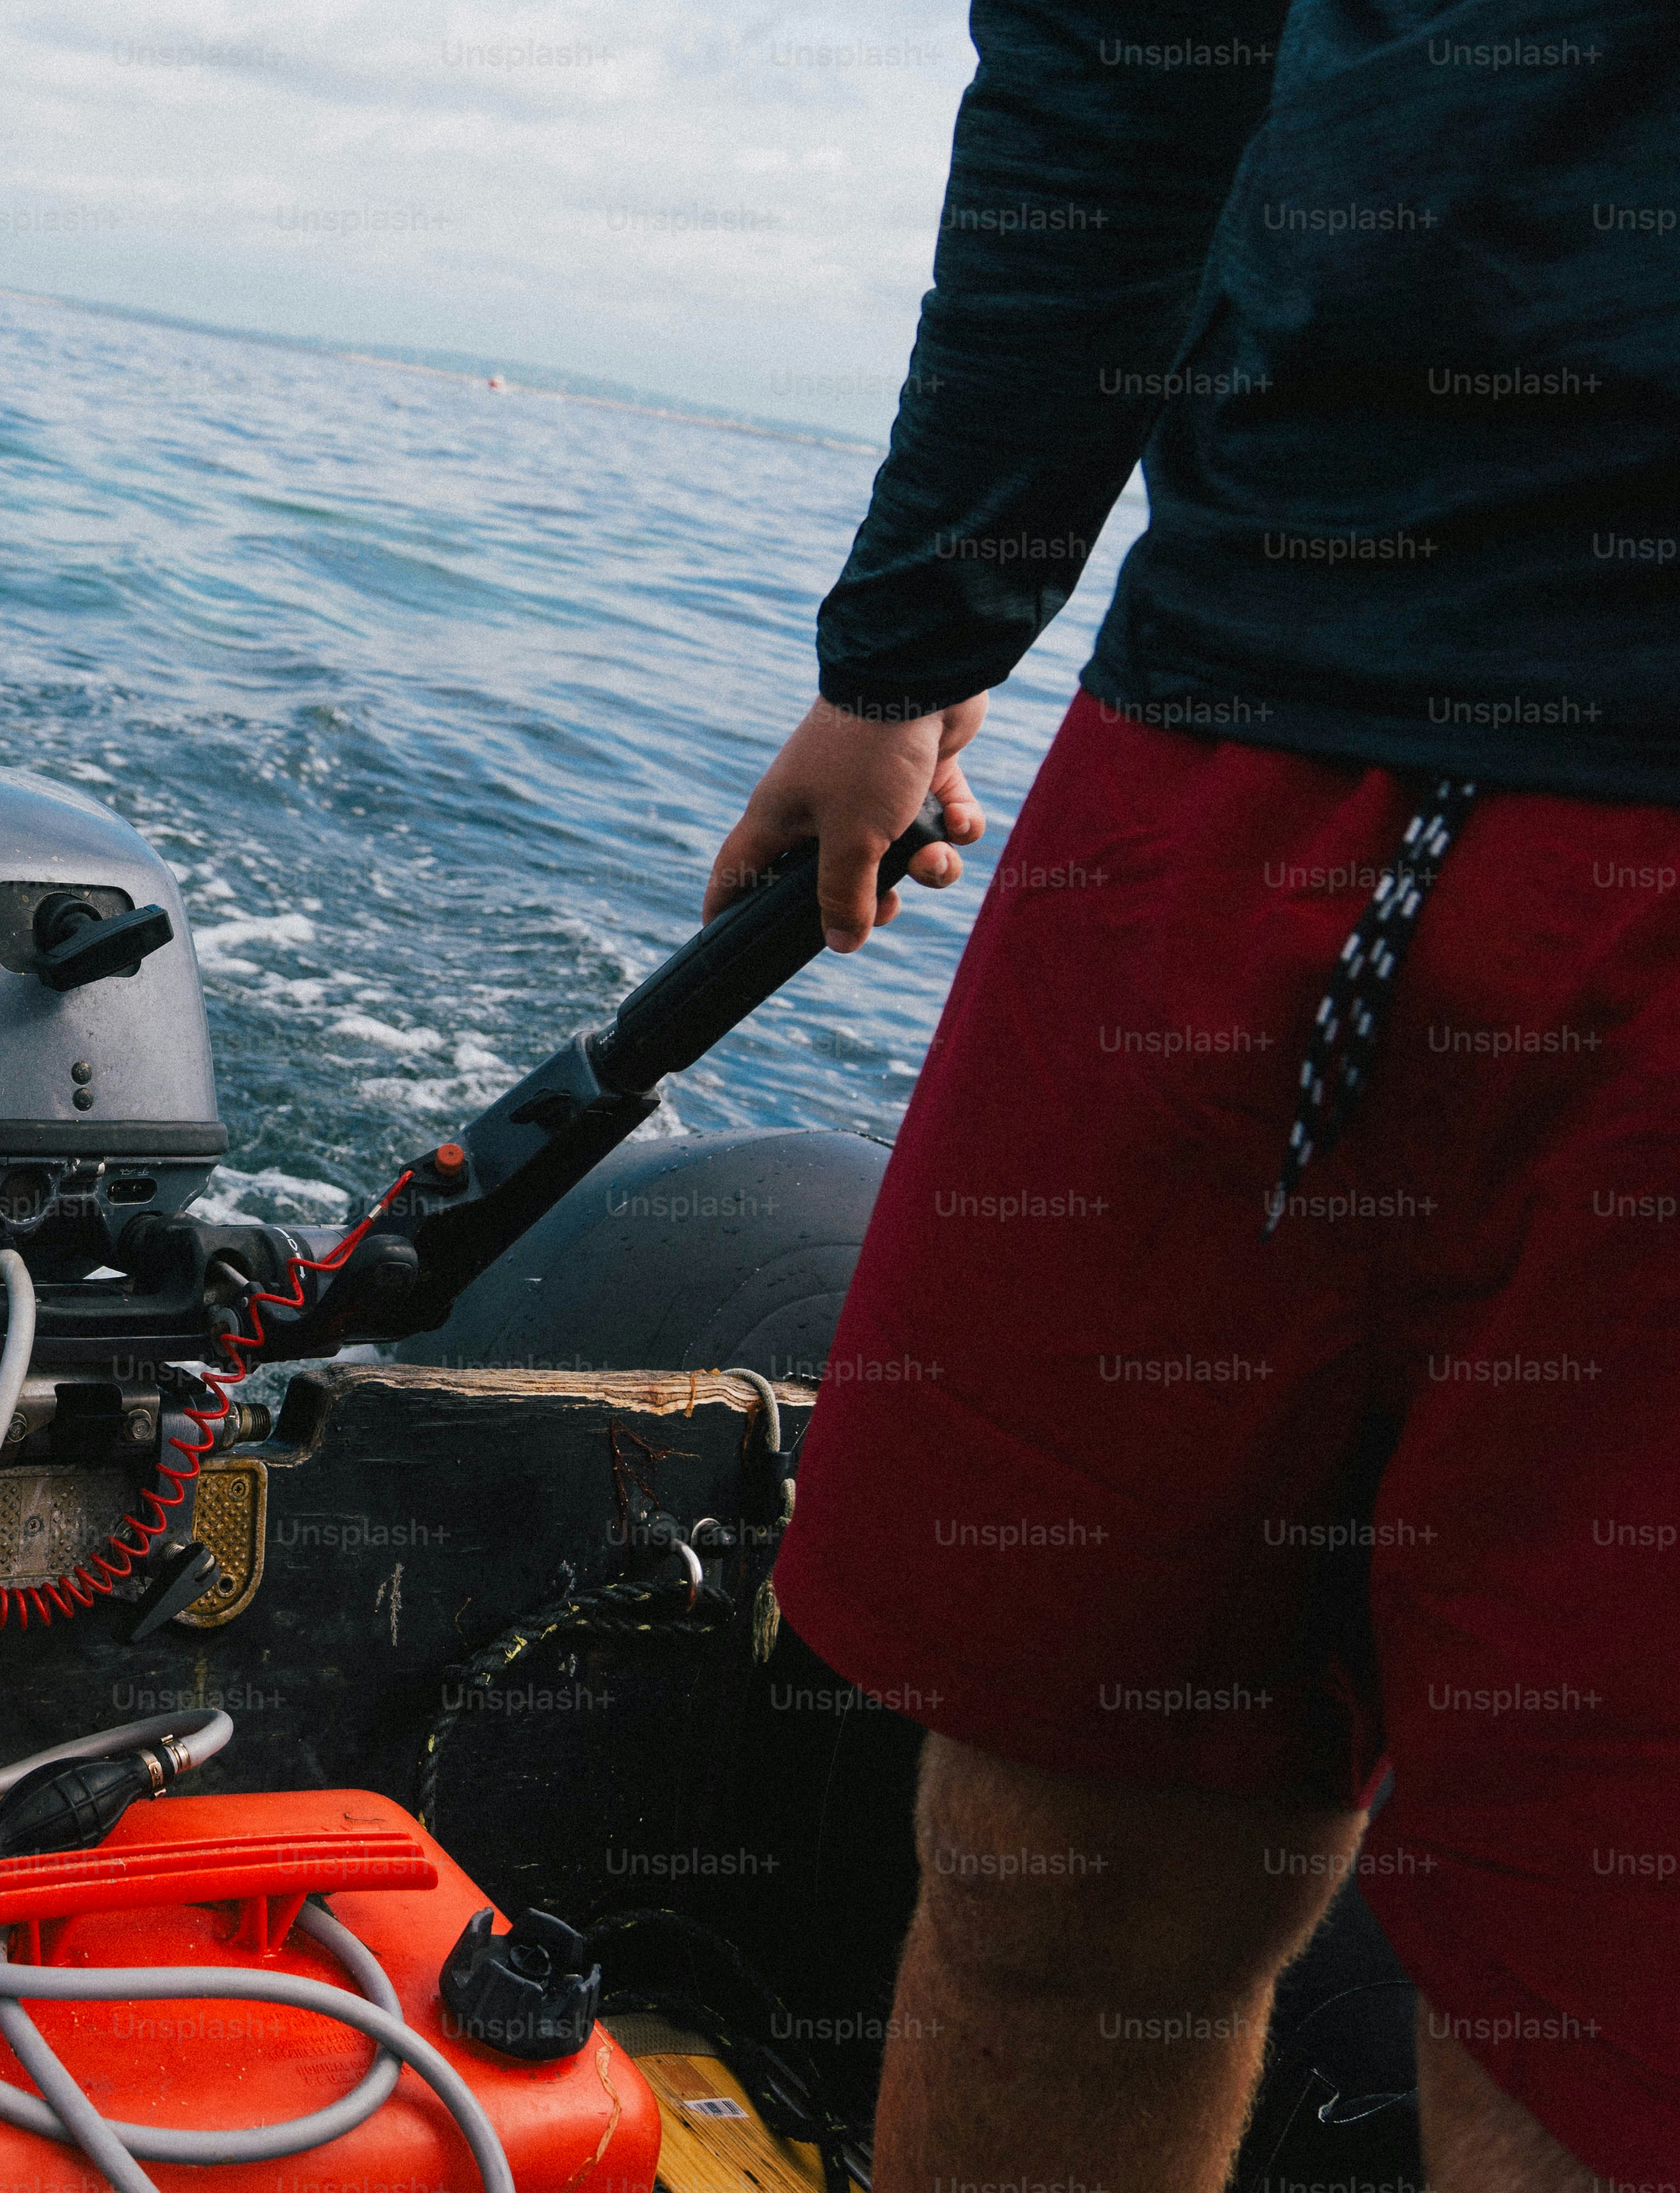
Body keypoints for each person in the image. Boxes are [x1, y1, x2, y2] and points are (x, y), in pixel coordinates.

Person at [707, 3, 1676, 2185]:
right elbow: (1127, 54)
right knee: (1053, 1895)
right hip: (1238, 727)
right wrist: (917, 639)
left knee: (1599, 2057)